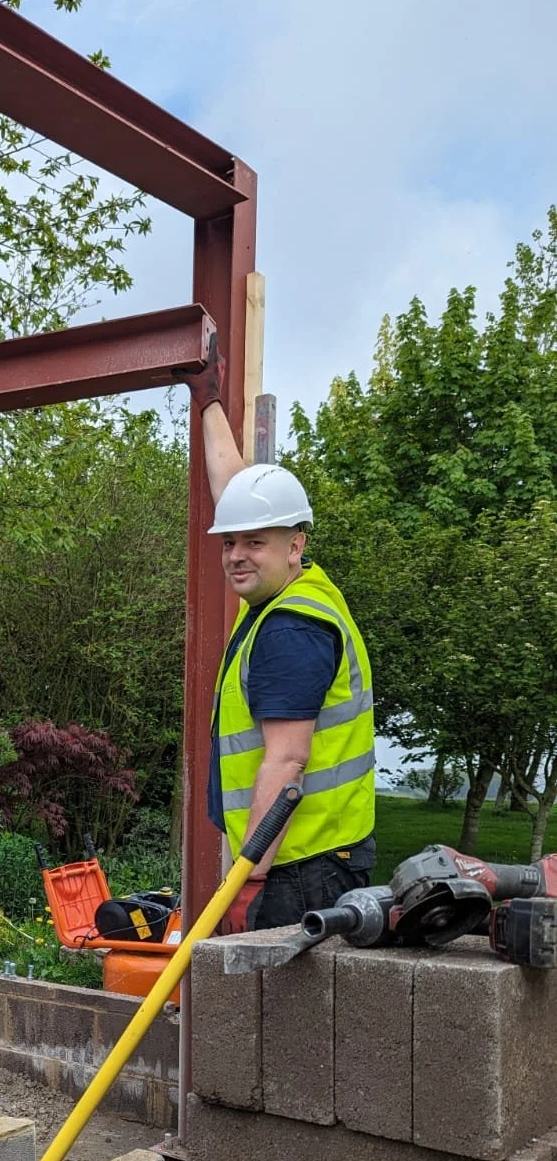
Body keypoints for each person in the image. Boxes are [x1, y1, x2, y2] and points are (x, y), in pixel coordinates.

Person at [178, 343, 376, 930]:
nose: (236, 555)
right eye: (229, 543)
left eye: (253, 543)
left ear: (295, 544)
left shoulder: (290, 628)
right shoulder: (292, 588)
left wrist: (247, 879)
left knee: (275, 993)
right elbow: (236, 493)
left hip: (300, 869)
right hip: (307, 856)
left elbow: (287, 760)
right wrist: (209, 401)